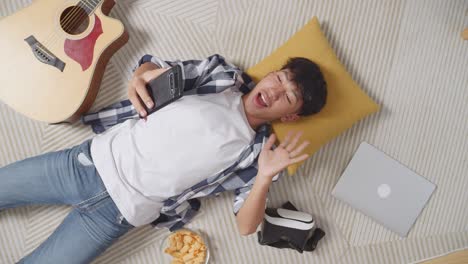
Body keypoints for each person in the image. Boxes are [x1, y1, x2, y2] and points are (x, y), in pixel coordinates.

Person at [0, 54, 327, 263]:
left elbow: (246, 226)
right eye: (280, 78)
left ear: (290, 117)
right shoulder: (221, 75)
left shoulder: (262, 154)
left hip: (118, 215)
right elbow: (153, 67)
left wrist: (266, 176)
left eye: (289, 97)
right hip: (85, 165)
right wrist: (141, 76)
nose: (276, 90)